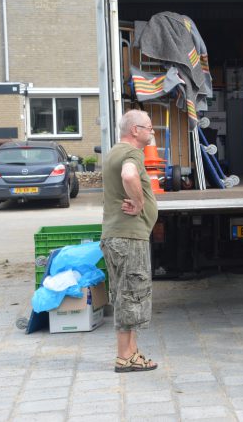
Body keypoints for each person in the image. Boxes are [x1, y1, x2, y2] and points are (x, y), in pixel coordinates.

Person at [100, 109, 159, 373]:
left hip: (117, 236)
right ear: (135, 130)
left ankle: (132, 353)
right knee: (132, 295)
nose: (152, 131)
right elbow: (128, 175)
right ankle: (124, 357)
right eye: (148, 127)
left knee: (127, 294)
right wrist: (139, 202)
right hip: (128, 236)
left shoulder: (114, 150)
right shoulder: (130, 154)